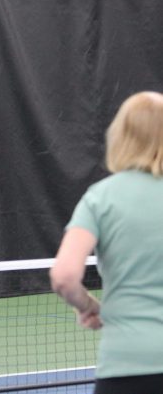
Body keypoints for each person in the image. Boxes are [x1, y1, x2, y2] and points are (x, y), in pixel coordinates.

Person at [50, 91, 163, 394]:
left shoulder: (101, 198)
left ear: (122, 135)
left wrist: (89, 306)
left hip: (128, 367)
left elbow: (63, 277)